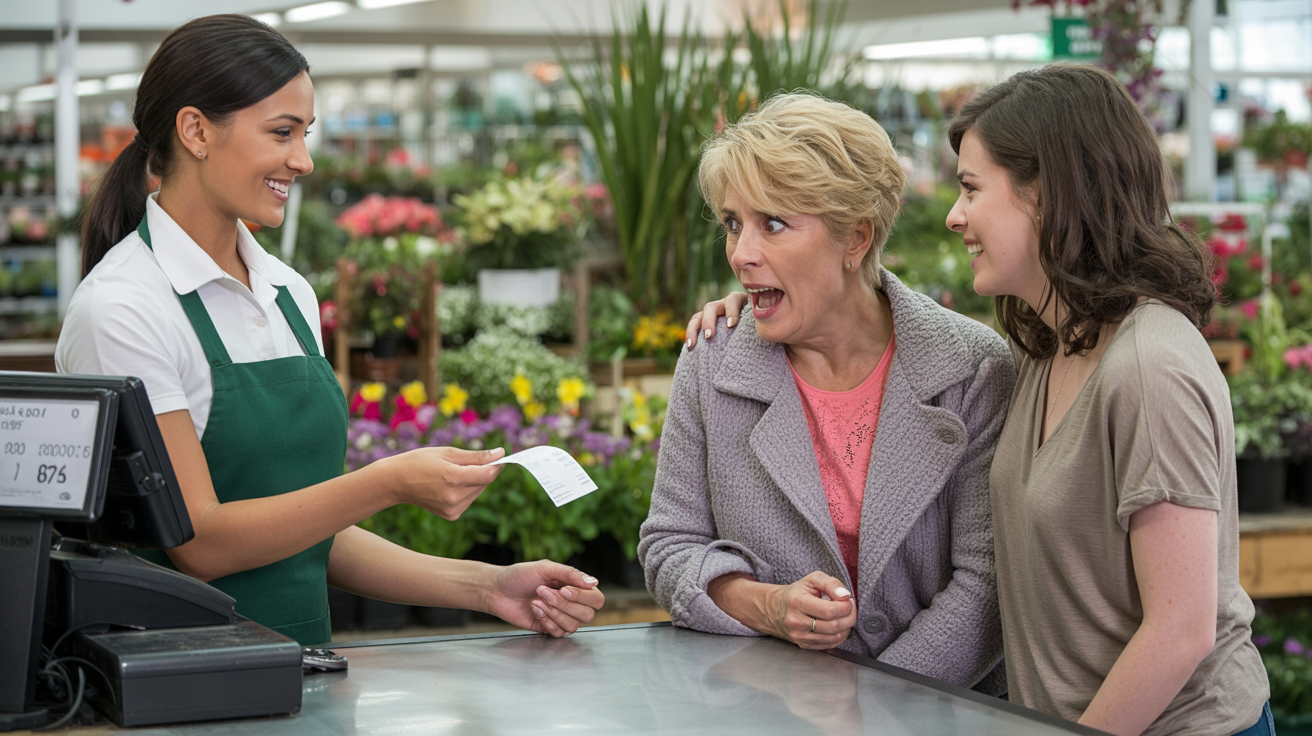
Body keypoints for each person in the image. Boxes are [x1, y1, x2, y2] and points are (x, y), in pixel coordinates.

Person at [693, 65, 1272, 736]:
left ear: (1050, 195)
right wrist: (772, 302)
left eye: (971, 188)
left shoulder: (1150, 366)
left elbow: (1180, 633)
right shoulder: (1044, 351)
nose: (953, 214)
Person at [56, 14, 602, 647]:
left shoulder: (288, 293)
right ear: (196, 130)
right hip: (177, 679)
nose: (305, 161)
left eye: (305, 133)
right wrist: (390, 481)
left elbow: (308, 526)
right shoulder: (123, 308)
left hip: (304, 670)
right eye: (282, 133)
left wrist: (487, 586)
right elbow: (200, 541)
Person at [641, 92, 1016, 692]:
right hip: (767, 709)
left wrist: (872, 707)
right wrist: (767, 604)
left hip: (944, 714)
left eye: (774, 224)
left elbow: (987, 586)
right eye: (734, 224)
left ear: (855, 240)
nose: (741, 254)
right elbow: (669, 547)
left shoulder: (974, 369)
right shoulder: (712, 360)